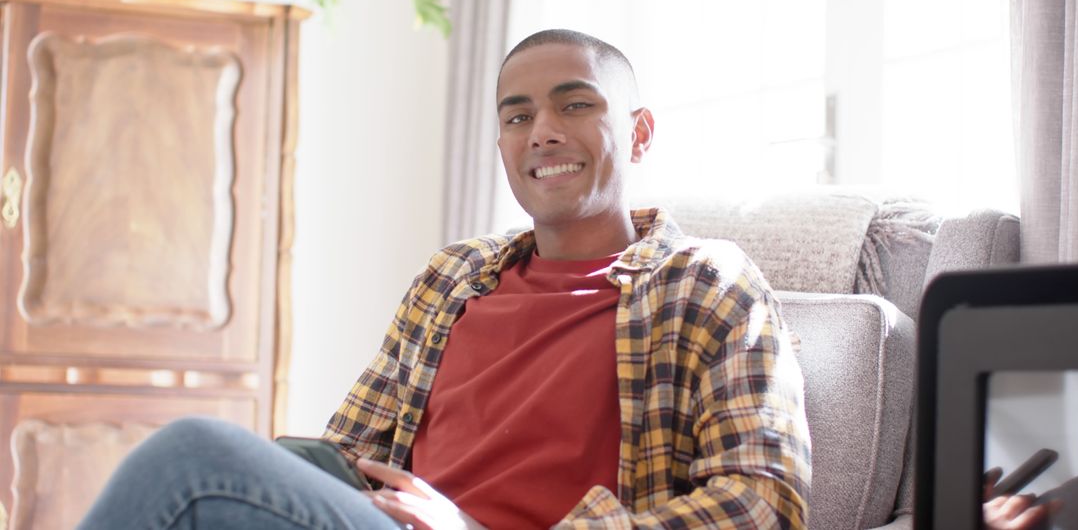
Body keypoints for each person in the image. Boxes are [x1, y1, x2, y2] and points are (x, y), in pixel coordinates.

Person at [77, 29, 812, 530]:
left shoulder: (707, 283)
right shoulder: (453, 276)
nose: (543, 131)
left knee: (192, 459)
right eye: (517, 116)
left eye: (576, 104)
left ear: (640, 132)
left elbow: (764, 501)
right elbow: (347, 451)